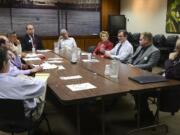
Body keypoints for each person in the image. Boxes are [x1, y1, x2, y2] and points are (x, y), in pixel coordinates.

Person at [0, 47, 45, 118]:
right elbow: (41, 86)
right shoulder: (18, 83)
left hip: (2, 121)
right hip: (24, 119)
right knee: (42, 84)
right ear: (4, 63)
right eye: (9, 60)